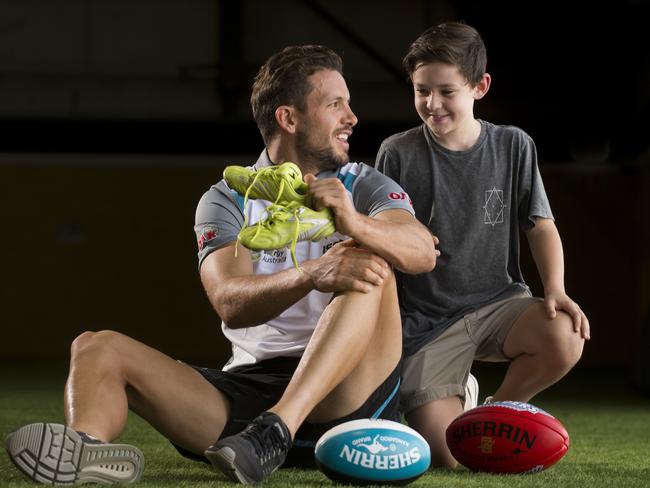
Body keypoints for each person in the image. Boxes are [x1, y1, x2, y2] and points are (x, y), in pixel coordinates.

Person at [4, 45, 437, 485]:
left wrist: (353, 222)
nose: (352, 118)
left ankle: (278, 429)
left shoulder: (360, 184)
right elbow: (230, 301)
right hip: (245, 403)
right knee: (94, 346)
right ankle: (84, 451)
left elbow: (421, 252)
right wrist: (311, 273)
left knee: (368, 261)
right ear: (289, 119)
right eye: (335, 105)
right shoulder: (227, 198)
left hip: (345, 395)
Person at [375, 22, 590, 468]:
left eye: (446, 91)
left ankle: (494, 409)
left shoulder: (513, 145)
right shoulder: (396, 152)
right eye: (421, 90)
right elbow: (385, 242)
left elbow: (540, 224)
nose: (432, 104)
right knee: (454, 457)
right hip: (428, 322)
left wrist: (556, 288)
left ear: (480, 86)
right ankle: (453, 393)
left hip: (499, 304)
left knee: (566, 334)